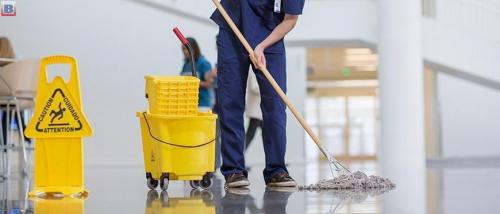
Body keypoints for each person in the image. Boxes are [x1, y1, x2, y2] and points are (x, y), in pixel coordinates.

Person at [210, 0, 305, 188]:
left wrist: (261, 46)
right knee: (230, 102)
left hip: (271, 37)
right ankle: (234, 170)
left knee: (275, 104)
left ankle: (276, 171)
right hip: (232, 29)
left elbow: (290, 19)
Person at [179, 37, 214, 111]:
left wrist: (192, 83)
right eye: (183, 49)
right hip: (187, 105)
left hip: (202, 105)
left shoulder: (203, 63)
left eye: (186, 49)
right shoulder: (186, 64)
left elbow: (209, 84)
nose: (184, 52)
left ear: (194, 48)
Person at [244, 71, 263, 152]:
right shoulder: (253, 71)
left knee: (269, 135)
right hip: (256, 112)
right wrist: (267, 86)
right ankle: (239, 158)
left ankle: (276, 159)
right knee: (250, 136)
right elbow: (254, 87)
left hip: (260, 112)